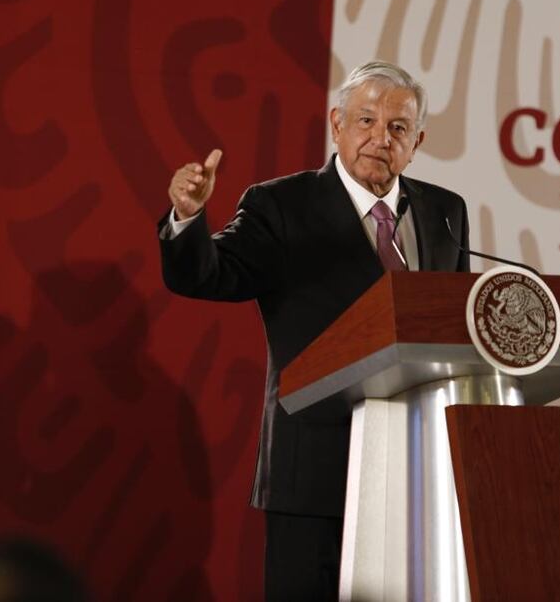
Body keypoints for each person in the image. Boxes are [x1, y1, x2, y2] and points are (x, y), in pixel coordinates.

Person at [159, 61, 470, 600]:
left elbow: (453, 327)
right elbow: (209, 275)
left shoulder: (445, 212)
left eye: (398, 128)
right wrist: (187, 218)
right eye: (366, 121)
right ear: (336, 124)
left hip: (416, 475)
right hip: (314, 472)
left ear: (417, 141)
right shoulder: (281, 205)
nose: (380, 138)